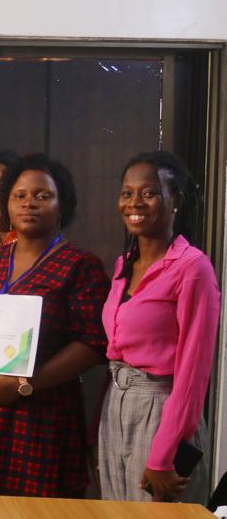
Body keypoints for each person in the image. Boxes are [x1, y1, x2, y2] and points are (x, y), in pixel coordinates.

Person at [0, 153, 109, 497]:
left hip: (41, 415)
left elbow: (93, 343)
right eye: (19, 195)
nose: (29, 203)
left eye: (42, 195)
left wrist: (23, 384)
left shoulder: (80, 264)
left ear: (62, 205)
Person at [98, 151, 220, 502]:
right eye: (127, 193)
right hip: (115, 407)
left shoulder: (192, 268)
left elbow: (193, 373)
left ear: (175, 200)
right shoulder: (124, 264)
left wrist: (164, 454)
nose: (135, 202)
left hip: (161, 412)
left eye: (149, 193)